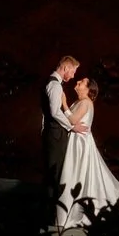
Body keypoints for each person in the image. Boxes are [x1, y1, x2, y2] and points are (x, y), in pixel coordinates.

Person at [54, 72, 119, 231]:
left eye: (82, 82)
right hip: (76, 142)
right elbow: (71, 122)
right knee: (74, 175)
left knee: (79, 173)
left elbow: (73, 120)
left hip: (80, 145)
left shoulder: (86, 103)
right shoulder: (79, 102)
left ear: (88, 89)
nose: (78, 81)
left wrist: (64, 103)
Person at [42, 55, 80, 219]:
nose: (73, 76)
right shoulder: (54, 85)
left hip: (54, 133)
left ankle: (54, 215)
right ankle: (52, 216)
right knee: (55, 174)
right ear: (65, 68)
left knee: (56, 173)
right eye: (72, 71)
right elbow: (55, 112)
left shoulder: (54, 84)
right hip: (55, 135)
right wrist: (72, 126)